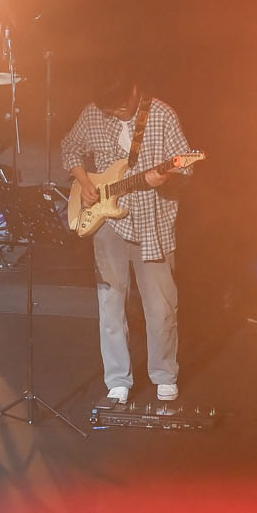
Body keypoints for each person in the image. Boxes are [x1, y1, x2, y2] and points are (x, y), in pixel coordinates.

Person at [60, 70, 198, 405]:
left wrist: (165, 176)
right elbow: (69, 147)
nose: (117, 115)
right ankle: (118, 379)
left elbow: (185, 166)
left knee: (161, 306)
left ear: (134, 91)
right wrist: (85, 182)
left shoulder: (162, 115)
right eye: (110, 111)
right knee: (110, 303)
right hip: (108, 223)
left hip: (153, 223)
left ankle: (164, 375)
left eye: (121, 109)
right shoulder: (93, 113)